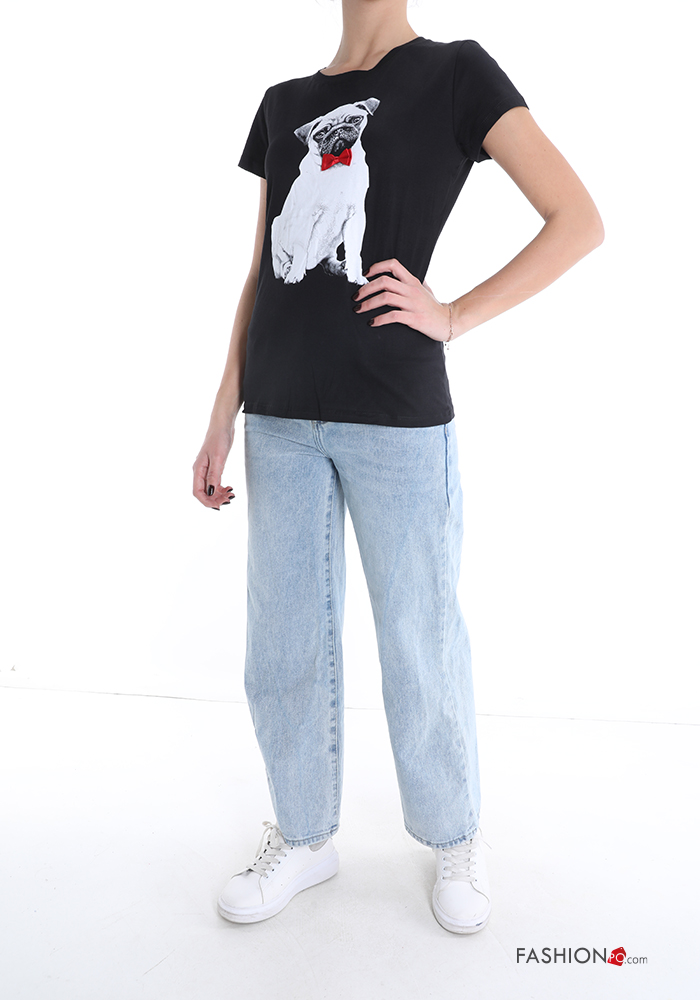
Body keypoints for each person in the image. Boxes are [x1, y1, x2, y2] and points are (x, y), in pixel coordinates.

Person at [192, 0, 604, 934]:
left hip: (397, 414)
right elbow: (262, 272)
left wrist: (453, 314)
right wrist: (223, 408)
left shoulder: (458, 72)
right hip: (279, 416)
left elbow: (578, 220)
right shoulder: (284, 101)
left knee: (420, 637)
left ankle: (455, 835)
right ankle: (304, 834)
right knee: (282, 645)